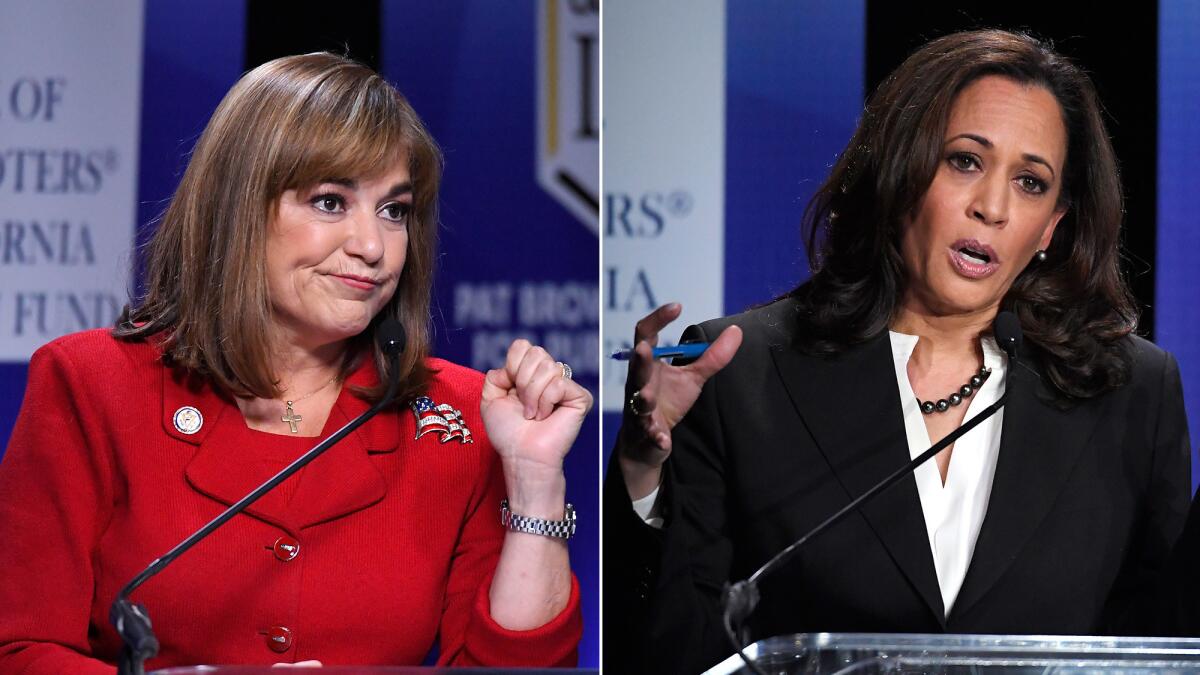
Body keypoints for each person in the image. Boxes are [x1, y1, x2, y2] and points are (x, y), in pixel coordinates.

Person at [605, 29, 1192, 674]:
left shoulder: (1128, 391)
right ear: (898, 169)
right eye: (965, 161)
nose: (992, 207)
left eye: (1030, 182)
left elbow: (1163, 641)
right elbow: (669, 649)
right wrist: (641, 471)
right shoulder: (743, 370)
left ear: (1052, 225)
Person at [0, 53, 591, 672]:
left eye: (395, 211)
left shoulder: (460, 418)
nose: (372, 247)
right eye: (331, 202)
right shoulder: (90, 383)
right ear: (238, 209)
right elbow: (19, 649)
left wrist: (535, 481)